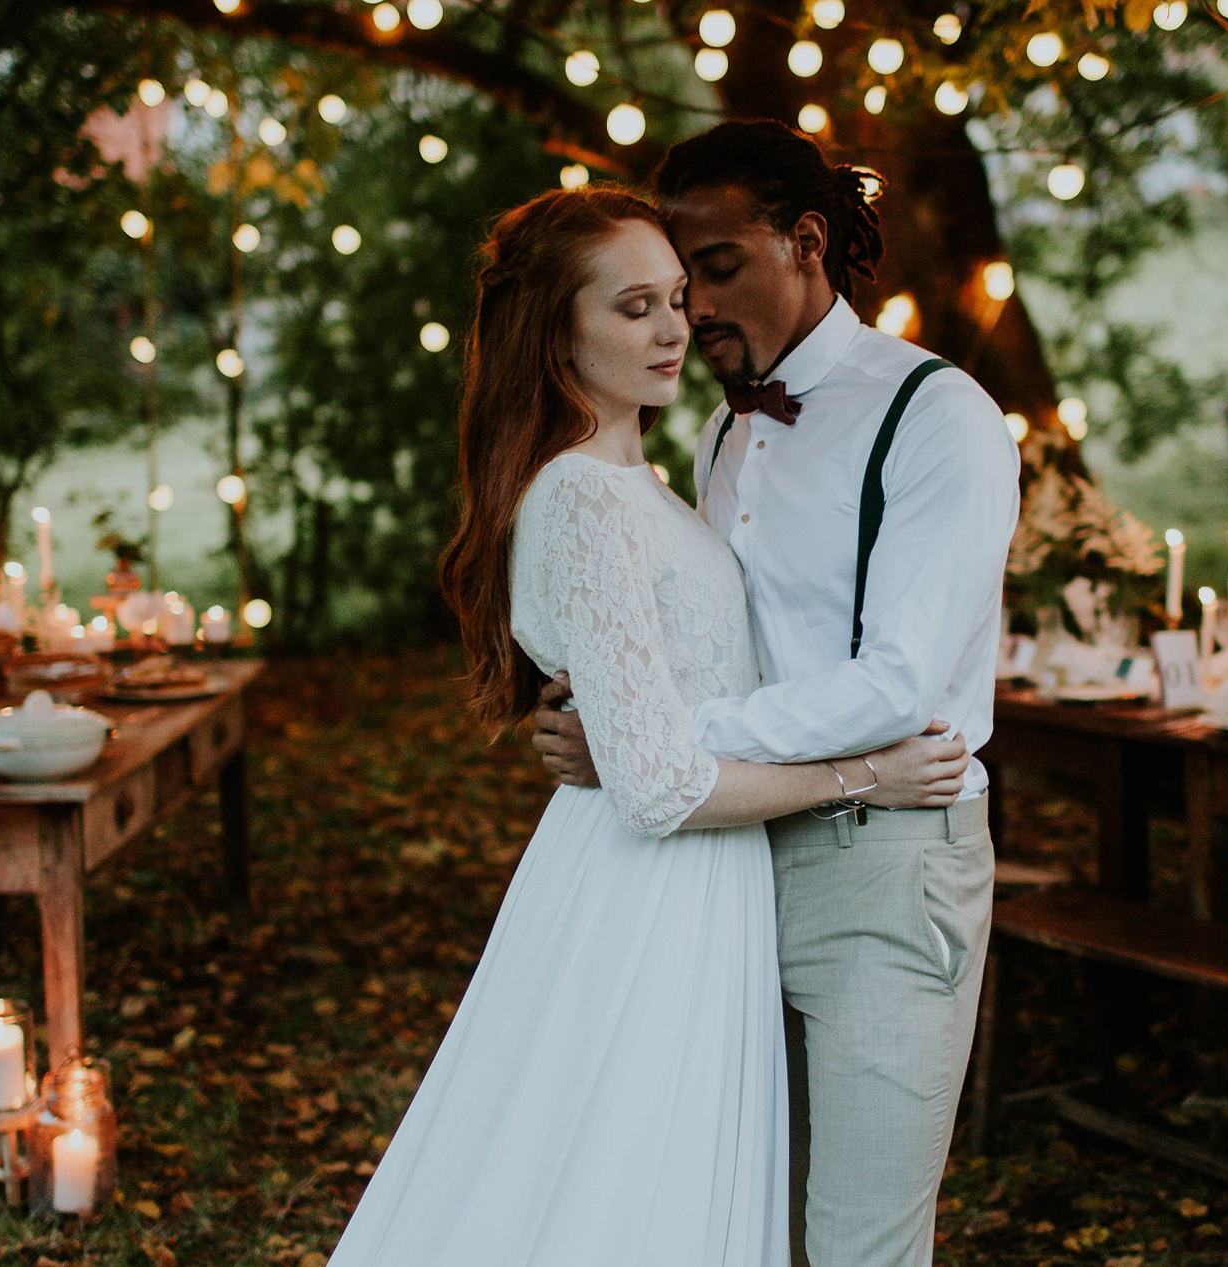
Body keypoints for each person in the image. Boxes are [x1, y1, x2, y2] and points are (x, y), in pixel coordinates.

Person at [327, 187, 970, 1266]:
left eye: (676, 298)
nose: (675, 328)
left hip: (703, 887)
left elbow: (656, 718)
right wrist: (862, 774)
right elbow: (661, 785)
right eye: (634, 308)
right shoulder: (580, 497)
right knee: (619, 1191)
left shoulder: (659, 481)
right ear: (556, 331)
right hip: (644, 896)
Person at [534, 122, 1021, 1267]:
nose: (693, 309)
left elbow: (898, 681)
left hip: (887, 859)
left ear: (806, 242)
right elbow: (714, 647)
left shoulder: (937, 415)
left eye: (716, 268)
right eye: (670, 282)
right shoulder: (717, 426)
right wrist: (590, 702)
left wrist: (651, 736)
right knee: (738, 1214)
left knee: (859, 1243)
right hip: (729, 861)